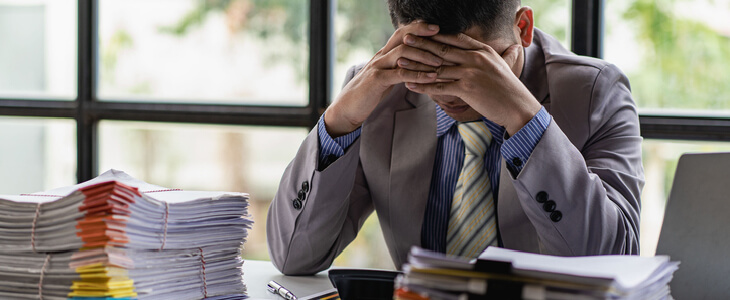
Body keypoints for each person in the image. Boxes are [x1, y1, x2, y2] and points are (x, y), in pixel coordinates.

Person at [267, 0, 644, 275]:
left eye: (473, 67)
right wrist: (338, 122)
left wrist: (524, 120)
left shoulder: (595, 92)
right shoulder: (379, 95)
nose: (449, 92)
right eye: (428, 68)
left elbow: (614, 264)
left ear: (523, 29)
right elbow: (293, 257)